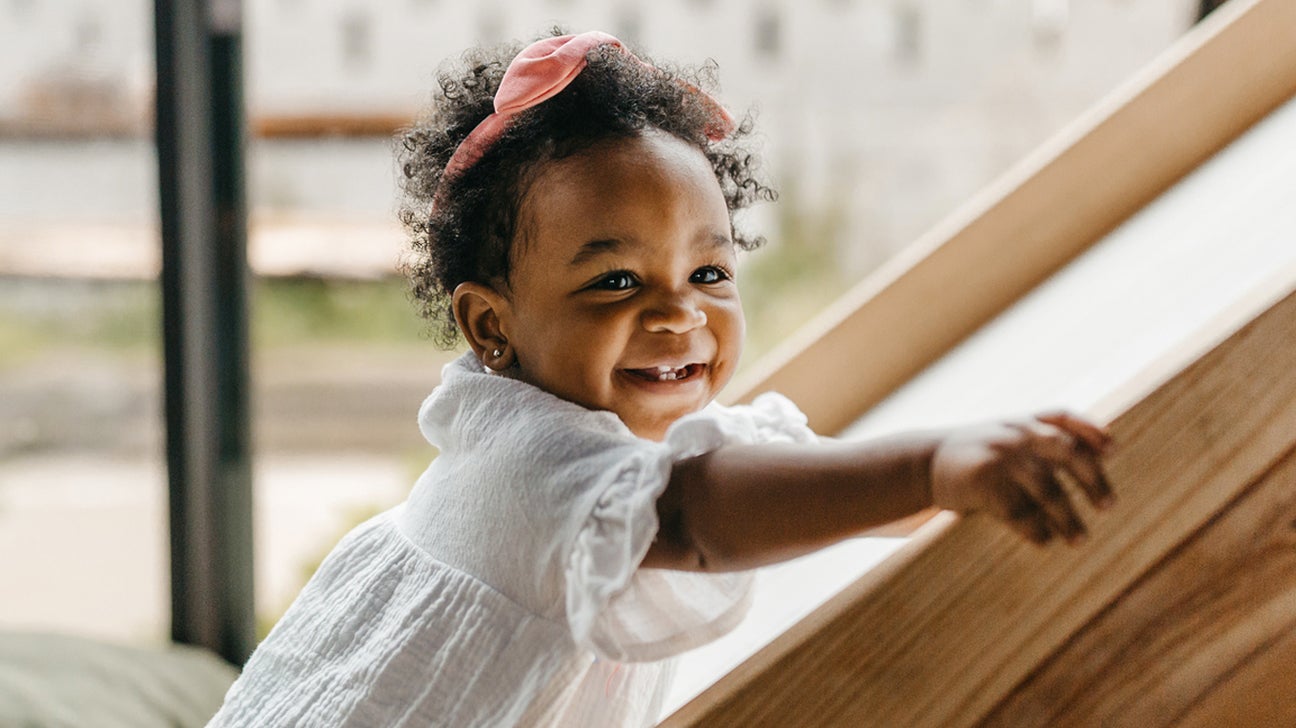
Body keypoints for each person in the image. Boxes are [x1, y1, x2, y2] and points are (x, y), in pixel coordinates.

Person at [208, 30, 1113, 727]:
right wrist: (928, 468)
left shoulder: (630, 446)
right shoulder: (527, 467)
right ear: (492, 325)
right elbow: (692, 514)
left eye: (710, 273)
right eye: (614, 282)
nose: (679, 314)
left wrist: (960, 484)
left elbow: (803, 484)